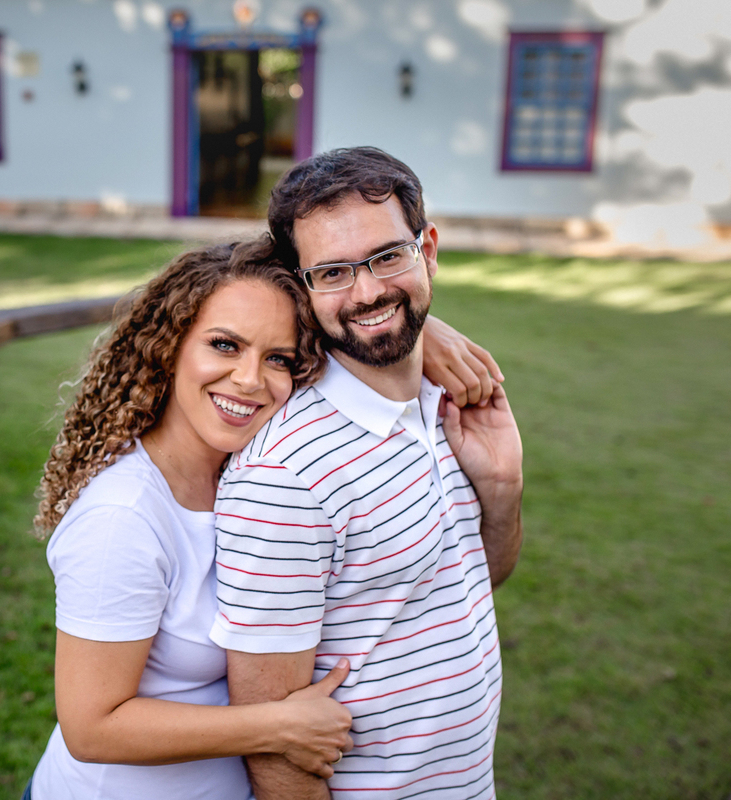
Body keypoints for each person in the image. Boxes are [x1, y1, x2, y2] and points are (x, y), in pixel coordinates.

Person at [27, 233, 503, 799]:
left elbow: (337, 297)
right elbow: (92, 726)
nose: (250, 380)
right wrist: (278, 725)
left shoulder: (249, 469)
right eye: (224, 345)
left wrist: (427, 328)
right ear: (169, 345)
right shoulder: (122, 517)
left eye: (279, 358)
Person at [210, 146, 524, 800]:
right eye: (333, 272)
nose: (369, 291)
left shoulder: (447, 405)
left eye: (386, 257)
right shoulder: (288, 475)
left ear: (427, 250)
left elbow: (465, 584)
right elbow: (272, 741)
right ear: (304, 288)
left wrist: (501, 492)